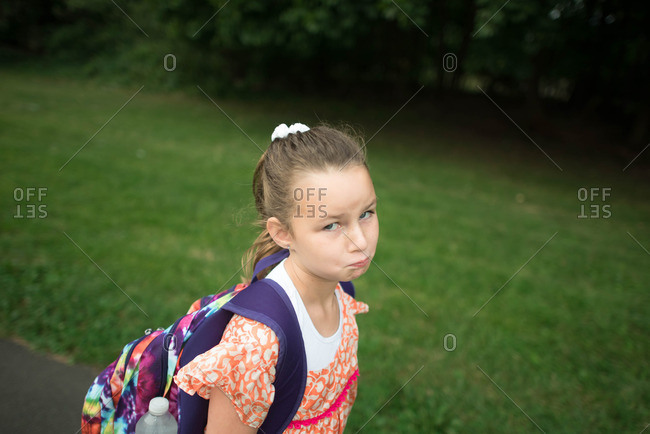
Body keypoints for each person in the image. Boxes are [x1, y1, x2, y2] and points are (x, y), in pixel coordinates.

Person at [174, 123, 379, 433]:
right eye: (332, 225)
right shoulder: (256, 344)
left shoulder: (340, 291)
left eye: (366, 213)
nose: (360, 241)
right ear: (283, 233)